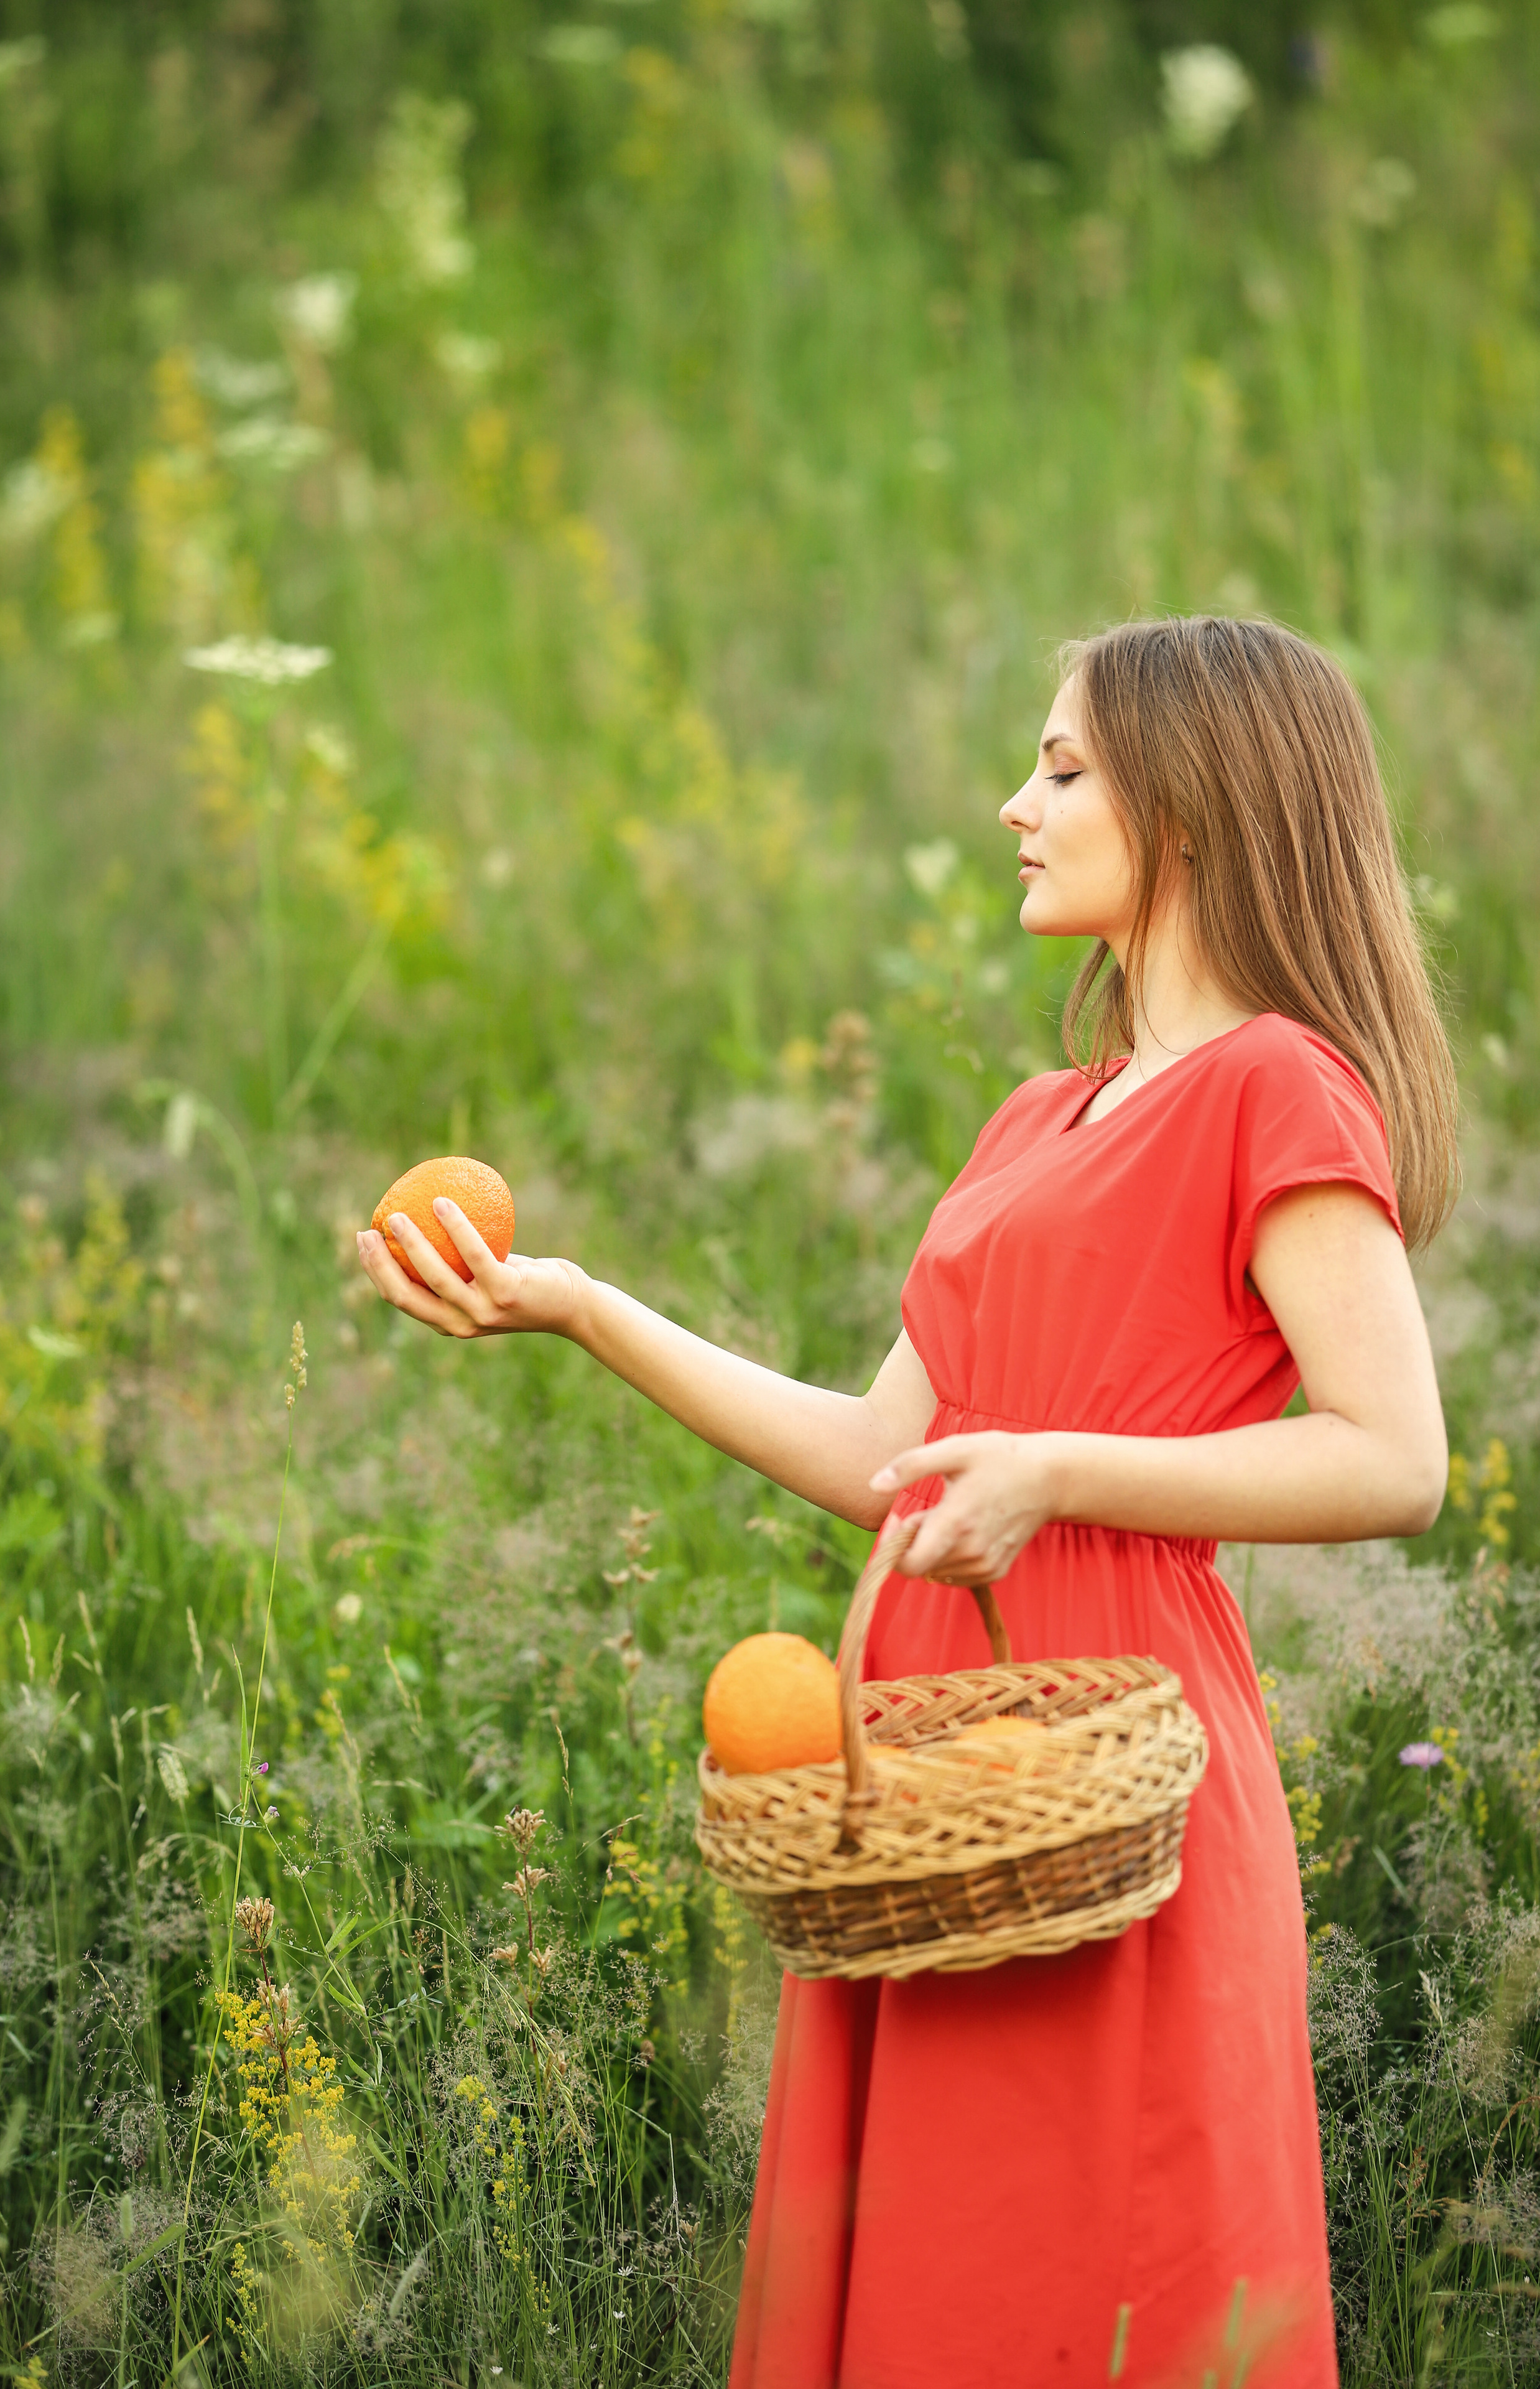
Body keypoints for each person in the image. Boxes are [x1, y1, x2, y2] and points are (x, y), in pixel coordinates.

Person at [359, 615, 1457, 2387]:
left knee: (1097, 2261)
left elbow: (1395, 1457)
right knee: (938, 2281)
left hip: (1111, 1754)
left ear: (1191, 806)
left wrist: (1054, 1475)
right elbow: (887, 1459)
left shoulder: (1278, 1086)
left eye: (1063, 768)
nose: (1014, 804)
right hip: (931, 1756)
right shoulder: (1038, 1120)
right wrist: (577, 1305)